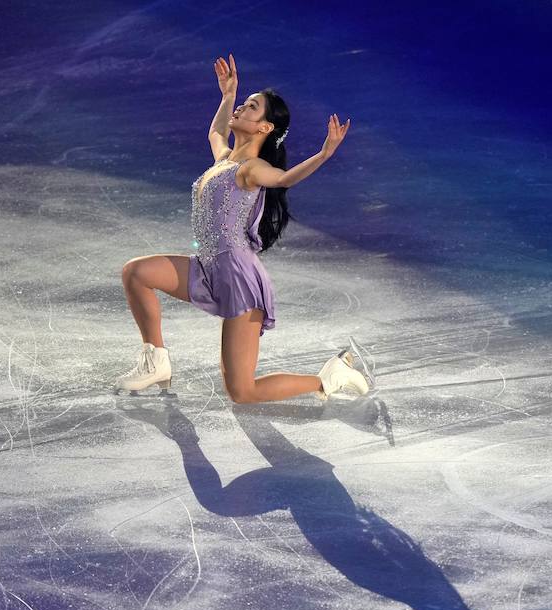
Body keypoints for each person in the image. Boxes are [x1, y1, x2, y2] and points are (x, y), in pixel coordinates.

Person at [114, 54, 369, 403]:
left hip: (237, 278)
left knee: (241, 390)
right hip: (206, 266)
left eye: (252, 108)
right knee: (137, 272)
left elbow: (284, 178)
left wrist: (324, 154)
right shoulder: (224, 160)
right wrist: (227, 95)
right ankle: (156, 362)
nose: (241, 111)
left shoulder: (252, 168)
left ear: (265, 128)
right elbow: (215, 132)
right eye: (244, 105)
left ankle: (328, 378)